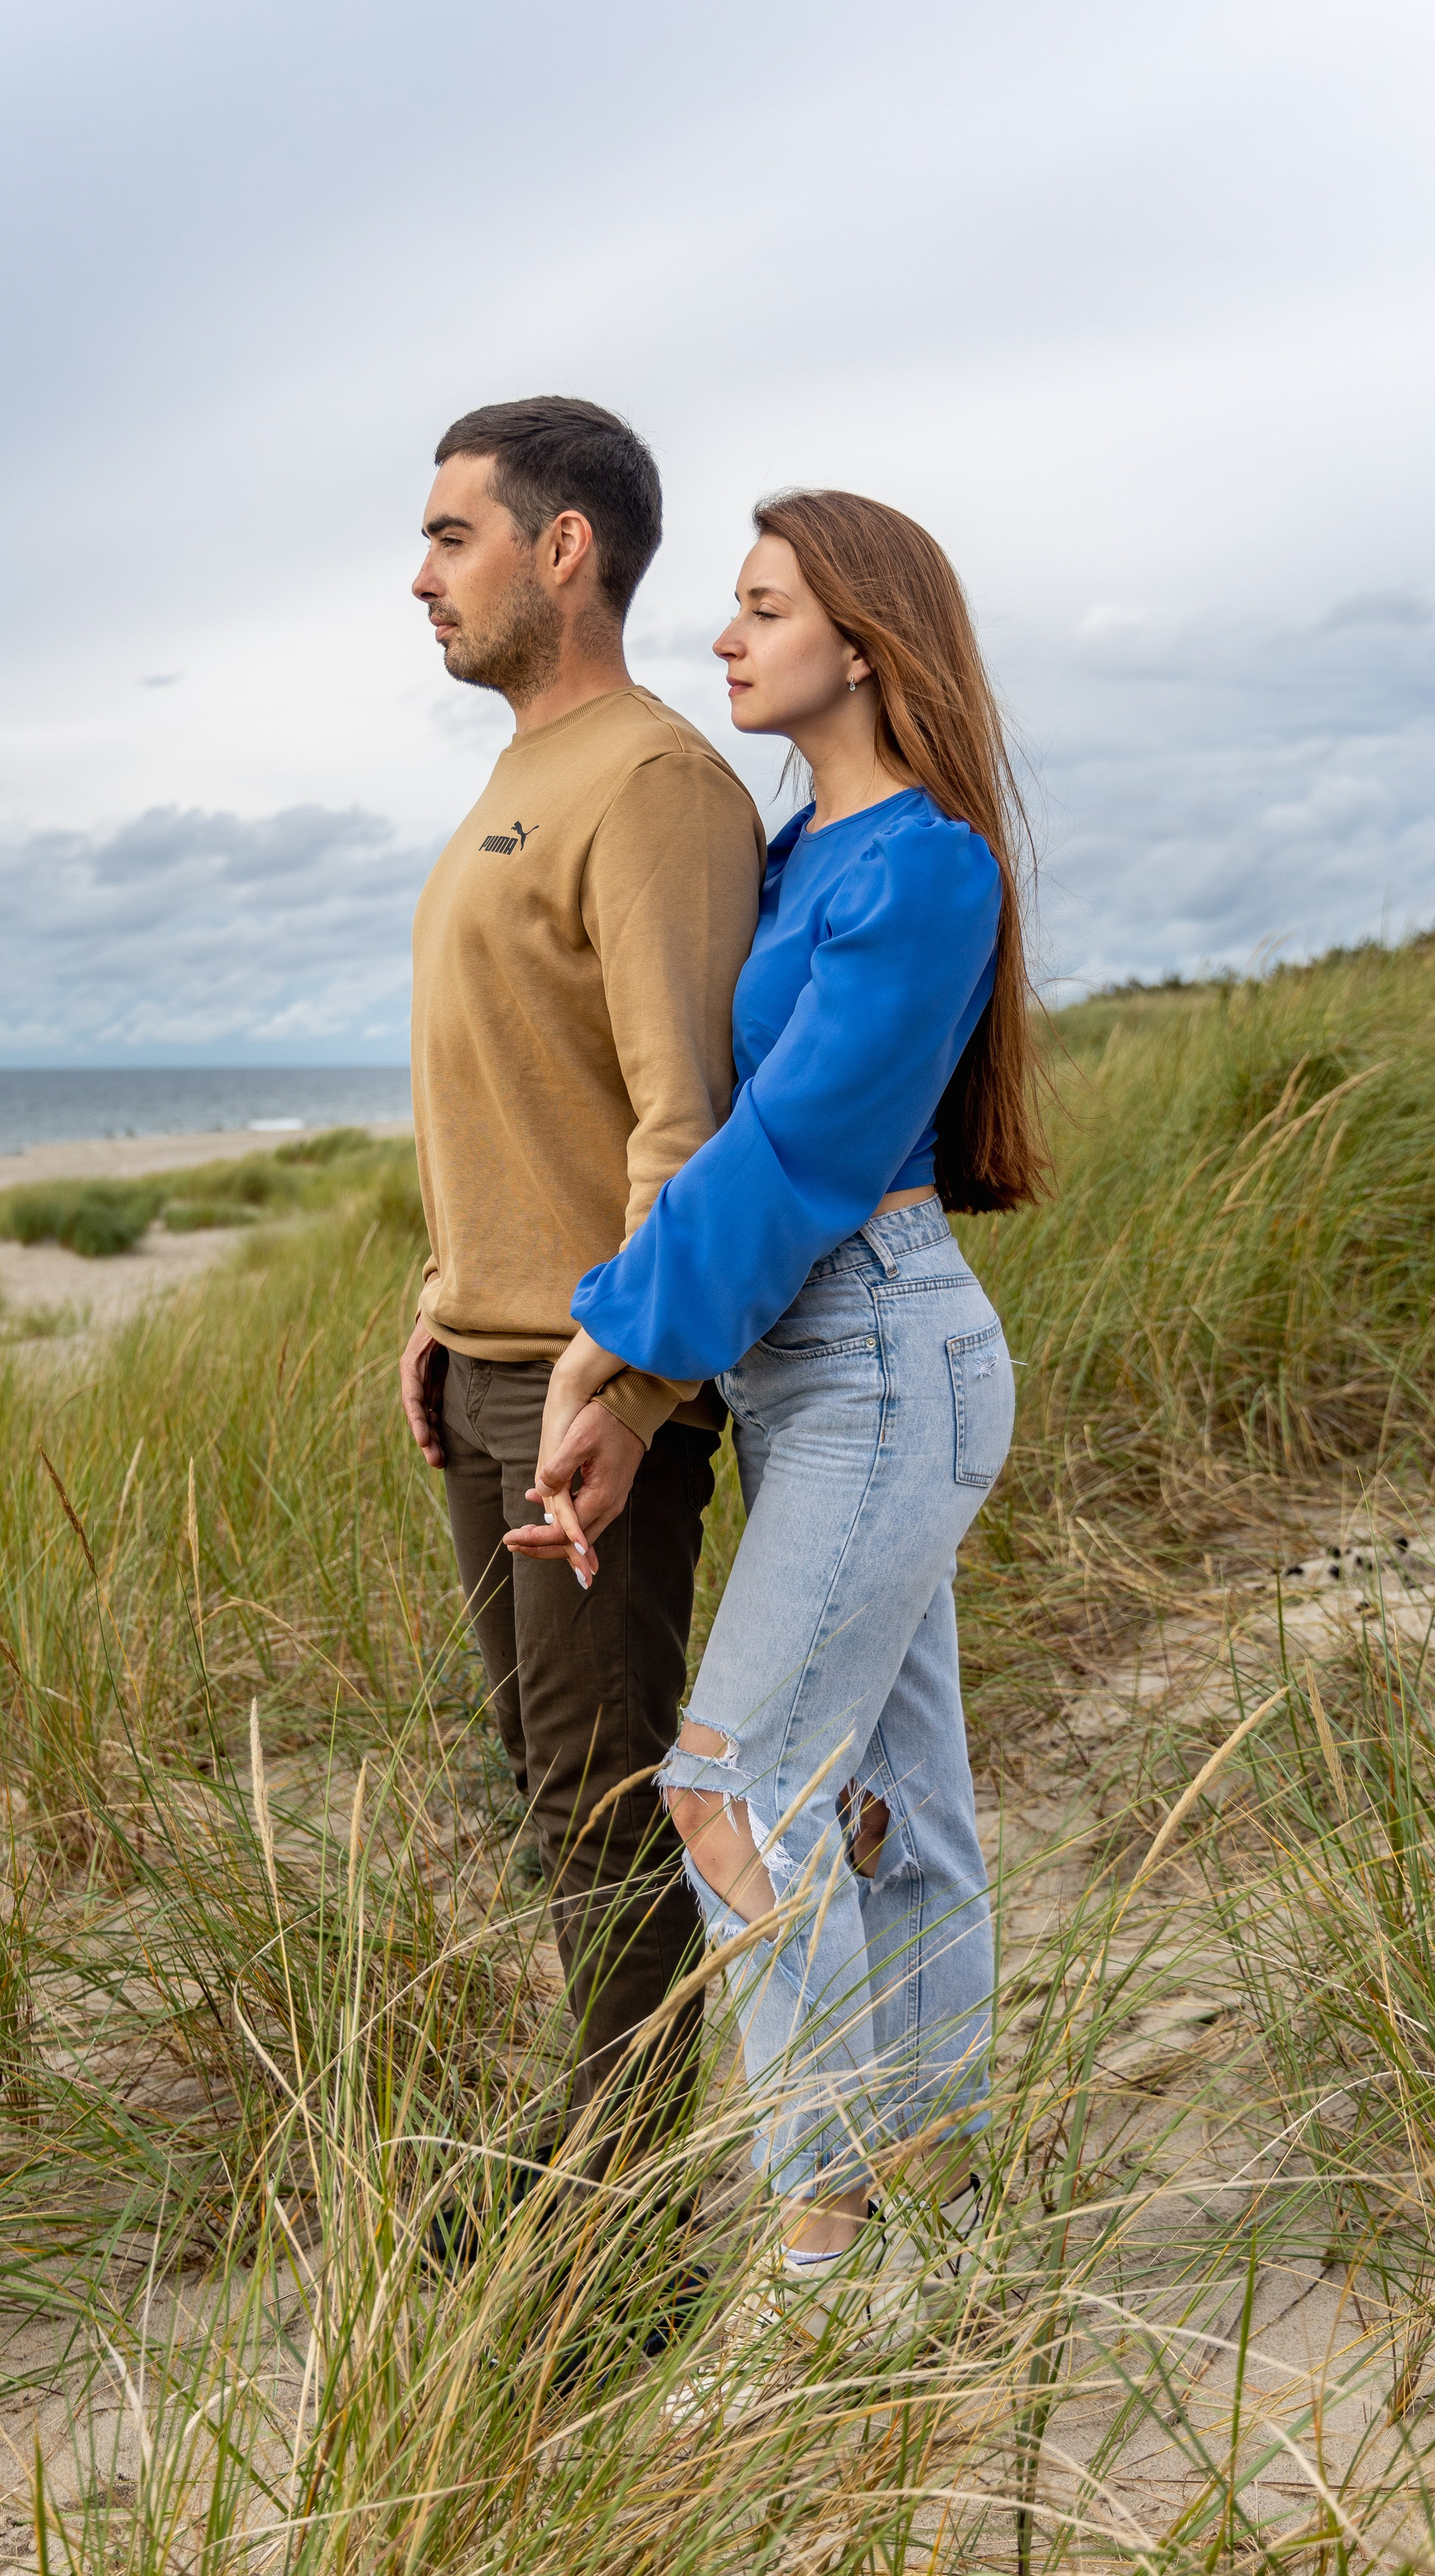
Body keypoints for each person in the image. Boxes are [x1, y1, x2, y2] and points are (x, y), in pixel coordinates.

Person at [508, 487, 1047, 2333]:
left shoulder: (925, 868)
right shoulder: (806, 846)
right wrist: (647, 1369)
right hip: (816, 1368)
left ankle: (823, 2271)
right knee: (900, 1806)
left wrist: (602, 1351)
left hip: (883, 1357)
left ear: (866, 643)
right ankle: (937, 2229)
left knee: (724, 1789)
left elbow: (794, 1148)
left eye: (759, 608)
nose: (723, 638)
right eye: (730, 609)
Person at [401, 397, 765, 2180]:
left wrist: (623, 1393)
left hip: (583, 1386)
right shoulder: (519, 770)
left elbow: (678, 1123)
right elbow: (521, 1081)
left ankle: (618, 2252)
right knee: (553, 1796)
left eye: (451, 535)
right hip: (485, 1361)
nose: (419, 578)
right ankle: (605, 2190)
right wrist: (442, 1288)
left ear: (564, 550)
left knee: (606, 1803)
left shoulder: (656, 781)